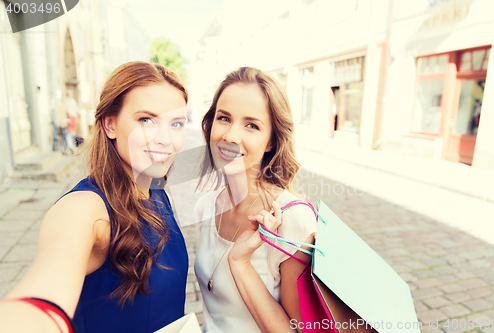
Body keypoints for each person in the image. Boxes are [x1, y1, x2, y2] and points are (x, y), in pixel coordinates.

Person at [0, 61, 190, 333]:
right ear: (110, 124)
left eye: (176, 123)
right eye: (146, 120)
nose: (165, 139)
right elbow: (43, 295)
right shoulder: (85, 208)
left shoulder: (156, 190)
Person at [194, 67, 317, 333]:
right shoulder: (205, 206)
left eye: (252, 125)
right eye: (224, 118)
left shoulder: (292, 220)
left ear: (271, 141)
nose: (230, 137)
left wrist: (240, 263)